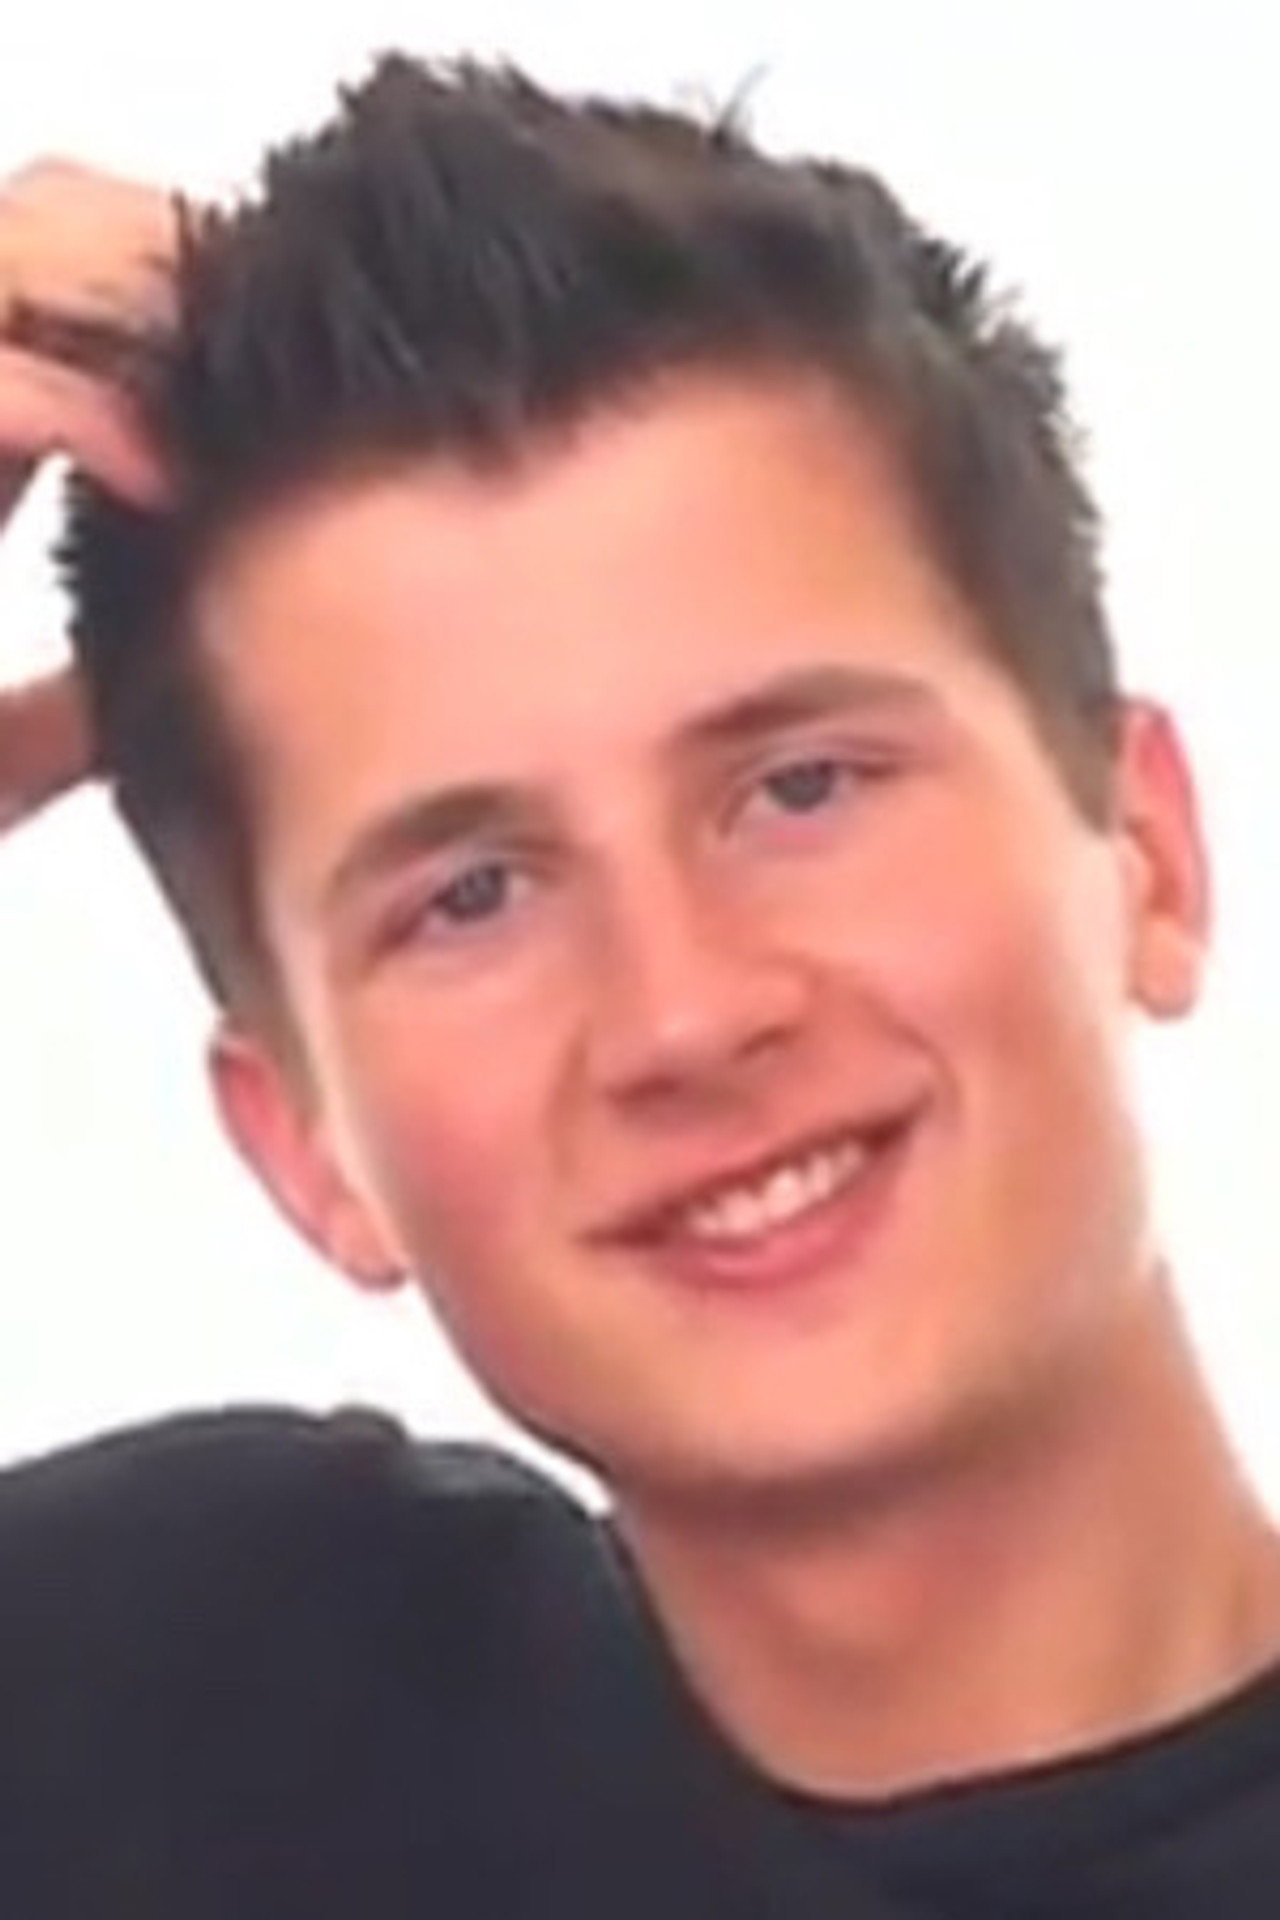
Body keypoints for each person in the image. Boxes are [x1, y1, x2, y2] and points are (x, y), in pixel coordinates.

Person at [0, 53, 1277, 1919]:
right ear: (302, 1145)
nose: (686, 1013)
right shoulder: (170, 1723)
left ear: (1146, 850)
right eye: (474, 896)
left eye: (801, 788)